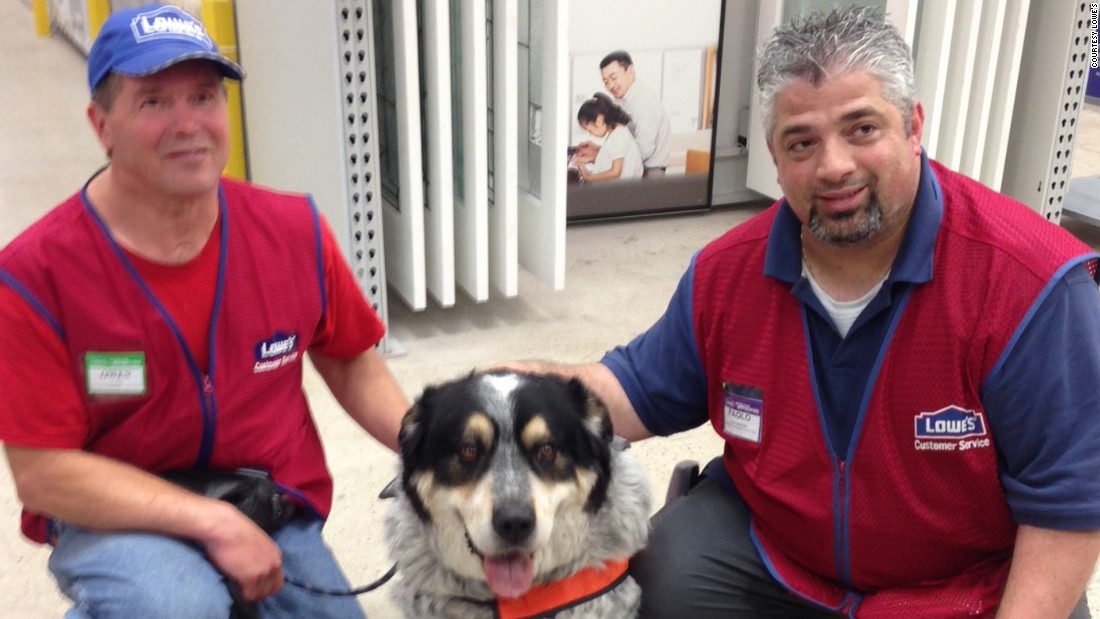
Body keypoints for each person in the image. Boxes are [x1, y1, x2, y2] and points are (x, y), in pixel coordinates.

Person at [503, 6, 1100, 618]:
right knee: (657, 582)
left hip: (957, 581)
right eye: (802, 142)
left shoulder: (1031, 287)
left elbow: (1069, 505)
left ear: (913, 126)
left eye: (862, 129)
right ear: (774, 153)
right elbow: (633, 391)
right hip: (776, 550)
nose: (833, 166)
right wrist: (508, 394)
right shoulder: (728, 273)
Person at [0, 4, 409, 618]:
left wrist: (431, 445)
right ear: (101, 123)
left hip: (264, 495)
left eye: (204, 96)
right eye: (154, 102)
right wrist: (211, 524)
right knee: (175, 604)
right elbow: (44, 473)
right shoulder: (36, 277)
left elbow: (351, 361)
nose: (188, 123)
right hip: (115, 508)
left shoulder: (291, 231)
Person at [574, 50, 671, 178]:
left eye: (614, 77)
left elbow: (644, 149)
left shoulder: (645, 100)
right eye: (606, 81)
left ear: (630, 71)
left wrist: (600, 156)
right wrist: (599, 150)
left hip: (650, 171)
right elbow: (623, 143)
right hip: (635, 166)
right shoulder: (619, 99)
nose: (610, 85)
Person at [571, 92, 644, 183]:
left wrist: (588, 176)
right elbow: (610, 158)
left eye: (590, 130)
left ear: (599, 121)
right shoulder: (617, 133)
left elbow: (616, 172)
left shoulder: (618, 135)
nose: (590, 134)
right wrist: (591, 159)